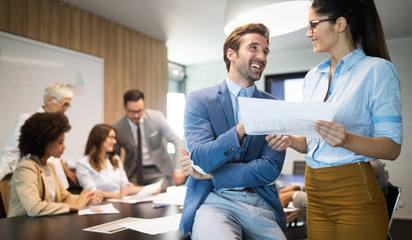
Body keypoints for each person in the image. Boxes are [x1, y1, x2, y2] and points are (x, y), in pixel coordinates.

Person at [266, 0, 402, 239]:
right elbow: (312, 143)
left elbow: (391, 148)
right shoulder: (312, 77)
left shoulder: (377, 70)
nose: (308, 33)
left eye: (313, 25)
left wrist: (346, 139)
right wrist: (290, 139)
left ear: (340, 24)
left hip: (354, 193)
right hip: (315, 193)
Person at [179, 23, 287, 240]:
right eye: (253, 48)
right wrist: (241, 128)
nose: (262, 56)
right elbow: (202, 158)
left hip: (260, 203)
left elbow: (270, 169)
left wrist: (212, 174)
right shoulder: (199, 100)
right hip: (213, 201)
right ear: (231, 54)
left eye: (265, 51)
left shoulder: (274, 105)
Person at [8, 112, 103, 217]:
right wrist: (75, 206)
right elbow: (34, 208)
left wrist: (88, 198)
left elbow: (65, 197)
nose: (64, 147)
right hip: (21, 228)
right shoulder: (26, 168)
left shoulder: (49, 166)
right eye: (60, 142)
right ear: (44, 142)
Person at [0, 83, 77, 186]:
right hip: (34, 182)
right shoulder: (28, 120)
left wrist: (67, 170)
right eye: (64, 104)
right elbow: (10, 155)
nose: (66, 109)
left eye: (68, 105)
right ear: (49, 99)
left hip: (57, 181)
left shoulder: (58, 123)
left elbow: (53, 152)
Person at [112, 89, 185, 190]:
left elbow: (178, 142)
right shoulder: (118, 128)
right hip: (133, 174)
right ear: (124, 107)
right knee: (133, 199)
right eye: (132, 112)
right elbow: (115, 158)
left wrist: (178, 169)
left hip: (158, 171)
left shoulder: (157, 118)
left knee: (158, 196)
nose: (136, 115)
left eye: (139, 111)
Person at [279, 160, 390, 210]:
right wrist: (301, 188)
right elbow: (332, 187)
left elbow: (337, 203)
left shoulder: (365, 166)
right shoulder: (366, 160)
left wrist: (294, 195)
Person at [76, 124, 149, 199]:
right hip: (99, 206)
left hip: (121, 203)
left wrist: (149, 189)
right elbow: (92, 192)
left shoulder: (115, 159)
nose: (114, 141)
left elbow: (126, 187)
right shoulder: (83, 163)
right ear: (99, 138)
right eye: (111, 137)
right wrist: (117, 195)